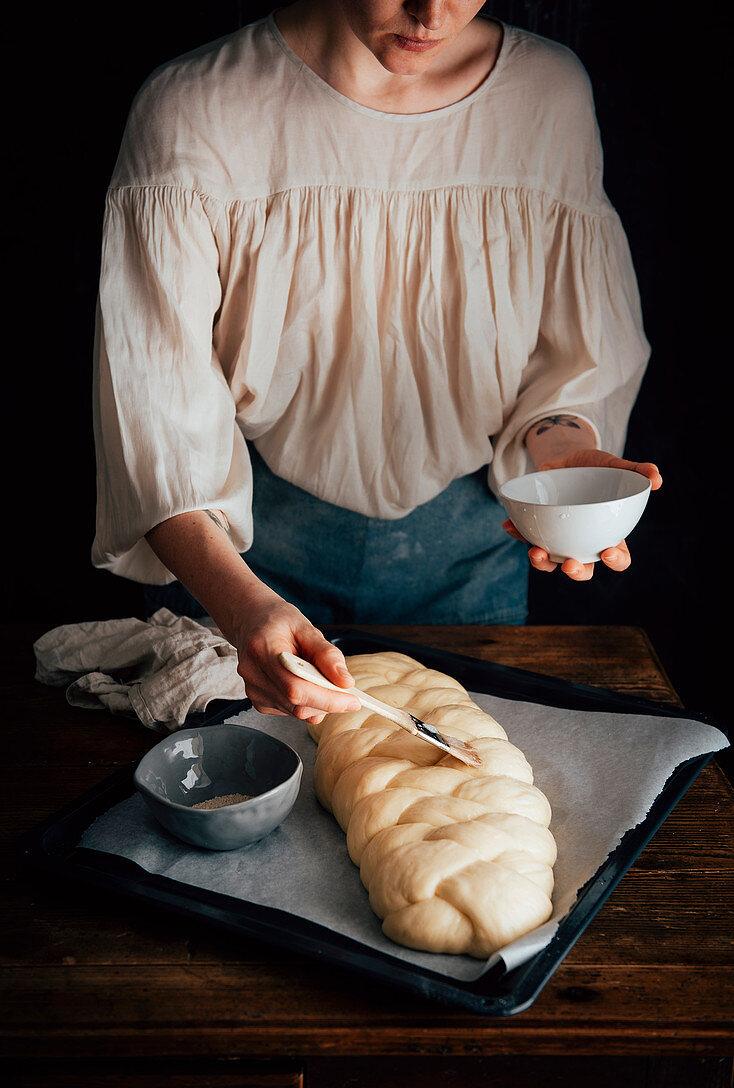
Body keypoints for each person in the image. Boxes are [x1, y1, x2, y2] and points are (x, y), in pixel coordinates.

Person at [92, 0, 661, 727]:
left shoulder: (547, 94)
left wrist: (567, 466)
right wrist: (241, 607)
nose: (432, 12)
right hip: (238, 556)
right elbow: (155, 416)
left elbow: (565, 367)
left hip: (469, 560)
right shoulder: (195, 105)